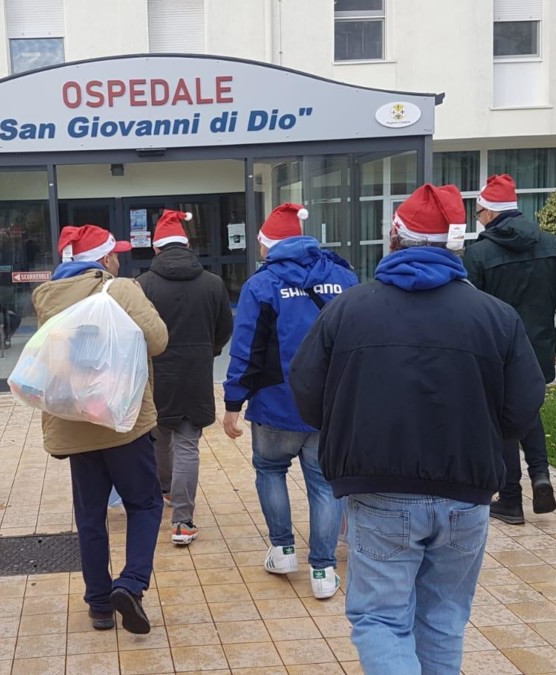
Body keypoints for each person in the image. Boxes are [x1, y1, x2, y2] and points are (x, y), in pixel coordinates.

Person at [289, 184, 547, 673]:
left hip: (380, 491)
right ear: (456, 246)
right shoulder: (495, 316)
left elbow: (306, 391)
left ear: (394, 238)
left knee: (381, 619)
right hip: (466, 492)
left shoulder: (348, 309)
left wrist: (351, 429)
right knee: (443, 620)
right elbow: (523, 407)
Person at [31, 225, 168, 634]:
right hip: (122, 419)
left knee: (90, 516)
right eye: (115, 254)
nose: (119, 260)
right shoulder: (120, 289)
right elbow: (158, 340)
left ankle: (99, 605)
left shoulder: (47, 296)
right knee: (145, 504)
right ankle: (131, 583)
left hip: (75, 420)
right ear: (105, 259)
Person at [222, 203, 358, 600]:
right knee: (324, 484)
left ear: (269, 245)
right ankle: (323, 571)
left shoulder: (261, 285)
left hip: (275, 405)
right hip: (328, 405)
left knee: (270, 471)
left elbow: (245, 349)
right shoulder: (344, 277)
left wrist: (233, 403)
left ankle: (282, 552)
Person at [464, 174, 556, 525]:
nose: (478, 218)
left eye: (478, 212)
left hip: (495, 352)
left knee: (502, 421)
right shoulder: (554, 246)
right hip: (538, 349)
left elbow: (470, 310)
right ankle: (540, 475)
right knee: (528, 411)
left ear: (488, 213)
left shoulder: (478, 254)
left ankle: (510, 499)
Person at [138, 210, 234, 546]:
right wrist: (209, 350)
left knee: (159, 436)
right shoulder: (213, 283)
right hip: (196, 372)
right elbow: (224, 328)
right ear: (188, 245)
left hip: (156, 374)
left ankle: (165, 489)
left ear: (156, 248)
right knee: (188, 444)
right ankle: (182, 521)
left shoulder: (142, 285)